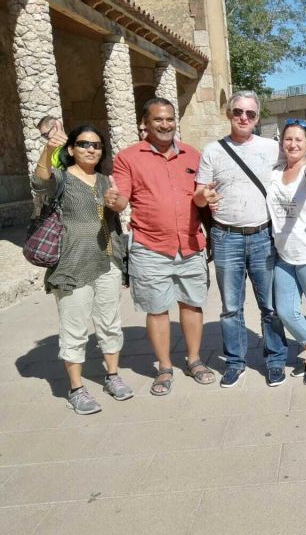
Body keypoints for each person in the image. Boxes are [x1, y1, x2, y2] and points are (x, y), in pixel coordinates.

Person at [107, 97, 215, 396]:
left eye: (169, 119)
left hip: (191, 244)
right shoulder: (128, 157)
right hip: (150, 246)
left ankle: (194, 360)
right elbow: (121, 200)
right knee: (156, 309)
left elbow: (203, 197)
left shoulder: (193, 155)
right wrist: (114, 200)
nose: (165, 124)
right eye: (158, 120)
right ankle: (165, 367)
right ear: (145, 123)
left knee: (192, 304)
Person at [32, 123, 131, 414]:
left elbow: (115, 219)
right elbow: (39, 183)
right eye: (84, 144)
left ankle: (112, 376)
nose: (91, 149)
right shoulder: (61, 179)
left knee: (110, 324)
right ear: (72, 149)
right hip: (71, 267)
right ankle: (76, 389)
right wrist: (50, 148)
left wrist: (119, 203)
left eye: (96, 145)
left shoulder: (104, 181)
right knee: (74, 330)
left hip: (107, 263)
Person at [194, 90, 289, 387]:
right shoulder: (212, 151)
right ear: (228, 114)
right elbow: (198, 196)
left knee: (269, 305)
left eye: (250, 113)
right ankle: (236, 362)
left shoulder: (272, 149)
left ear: (258, 117)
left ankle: (275, 359)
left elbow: (301, 168)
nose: (243, 118)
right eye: (238, 112)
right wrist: (202, 196)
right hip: (226, 237)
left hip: (263, 235)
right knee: (231, 307)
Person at [267, 118, 306, 385]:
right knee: (285, 310)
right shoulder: (274, 171)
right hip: (283, 254)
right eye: (288, 139)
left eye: (299, 140)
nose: (292, 144)